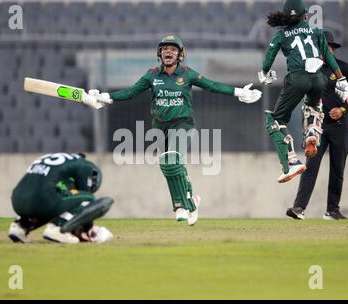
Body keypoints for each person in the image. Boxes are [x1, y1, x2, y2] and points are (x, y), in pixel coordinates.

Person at [81, 35, 262, 226]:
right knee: (167, 166)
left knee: (173, 159)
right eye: (165, 49)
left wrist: (240, 92)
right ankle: (191, 200)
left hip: (182, 123)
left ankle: (181, 207)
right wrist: (104, 96)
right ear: (159, 53)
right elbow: (130, 92)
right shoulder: (152, 75)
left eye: (173, 49)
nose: (168, 52)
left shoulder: (187, 74)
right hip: (160, 126)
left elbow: (212, 86)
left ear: (180, 54)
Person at [258, 0, 348, 183]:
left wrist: (265, 72)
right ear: (304, 15)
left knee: (276, 119)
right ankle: (311, 133)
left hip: (297, 79)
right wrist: (341, 78)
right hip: (318, 79)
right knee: (313, 105)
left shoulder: (282, 34)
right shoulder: (316, 31)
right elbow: (330, 58)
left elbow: (268, 59)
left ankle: (292, 160)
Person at [286, 31, 348, 220]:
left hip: (340, 125)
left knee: (338, 168)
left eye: (326, 47)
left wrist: (343, 110)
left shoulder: (343, 69)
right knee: (310, 166)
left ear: (331, 48)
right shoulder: (311, 70)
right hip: (317, 126)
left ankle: (332, 210)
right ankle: (299, 208)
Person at [8, 152, 114, 243]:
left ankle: (20, 226)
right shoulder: (85, 165)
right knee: (89, 197)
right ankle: (57, 229)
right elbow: (84, 196)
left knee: (55, 202)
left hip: (17, 200)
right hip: (43, 199)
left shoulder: (50, 158)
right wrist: (87, 228)